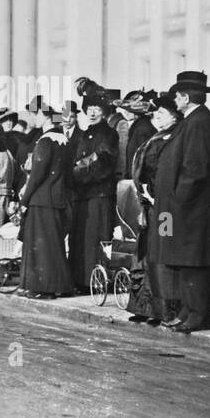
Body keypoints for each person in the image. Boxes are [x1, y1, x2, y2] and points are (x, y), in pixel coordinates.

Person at [153, 71, 210, 334]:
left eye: (176, 95)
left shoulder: (198, 122)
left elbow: (195, 169)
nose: (174, 100)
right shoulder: (194, 120)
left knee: (193, 261)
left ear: (185, 97)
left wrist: (179, 200)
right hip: (177, 209)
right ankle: (187, 309)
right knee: (181, 259)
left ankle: (198, 314)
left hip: (188, 209)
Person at [127, 94, 179, 324]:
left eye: (162, 113)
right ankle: (147, 307)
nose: (156, 117)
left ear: (175, 116)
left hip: (164, 209)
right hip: (148, 207)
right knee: (146, 255)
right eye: (156, 113)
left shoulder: (172, 138)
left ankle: (165, 309)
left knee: (163, 254)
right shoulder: (157, 137)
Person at [16, 105, 74, 299]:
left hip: (41, 200)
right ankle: (61, 286)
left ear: (45, 116)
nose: (33, 118)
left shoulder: (45, 141)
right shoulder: (64, 140)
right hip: (57, 199)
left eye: (35, 114)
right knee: (53, 245)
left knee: (41, 247)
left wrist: (24, 200)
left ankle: (43, 288)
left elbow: (36, 175)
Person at [67, 95, 119, 293]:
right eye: (89, 108)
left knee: (95, 237)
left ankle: (95, 281)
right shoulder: (84, 133)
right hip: (82, 193)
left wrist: (75, 174)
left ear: (104, 111)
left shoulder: (109, 134)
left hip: (99, 193)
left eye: (97, 108)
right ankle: (80, 280)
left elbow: (102, 160)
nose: (92, 112)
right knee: (80, 237)